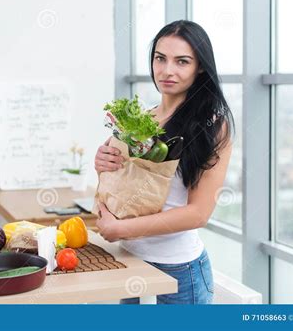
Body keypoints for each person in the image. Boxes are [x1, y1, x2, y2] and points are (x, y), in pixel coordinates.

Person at [94, 20, 234, 304]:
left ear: (201, 67)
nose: (167, 70)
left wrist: (119, 229)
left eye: (182, 61)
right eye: (160, 58)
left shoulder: (212, 126)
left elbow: (198, 214)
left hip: (179, 274)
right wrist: (102, 165)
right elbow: (125, 189)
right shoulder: (142, 119)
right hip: (131, 262)